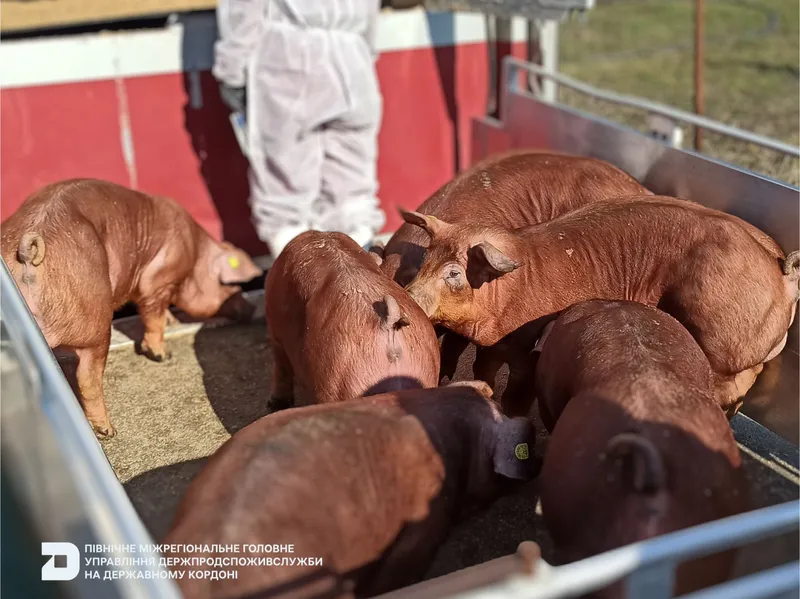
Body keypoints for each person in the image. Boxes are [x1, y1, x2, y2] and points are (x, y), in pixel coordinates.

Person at [213, 0, 386, 257]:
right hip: (353, 56)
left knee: (286, 190)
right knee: (351, 183)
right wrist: (363, 50)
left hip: (288, 57)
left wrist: (232, 70)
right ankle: (357, 273)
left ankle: (301, 278)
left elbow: (245, 8)